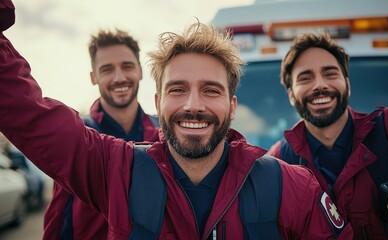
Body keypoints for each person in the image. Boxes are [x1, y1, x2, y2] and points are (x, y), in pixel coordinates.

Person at [0, 2, 353, 238]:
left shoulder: (294, 188)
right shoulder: (115, 170)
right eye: (178, 89)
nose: (193, 105)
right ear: (158, 102)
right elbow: (28, 113)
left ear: (232, 106)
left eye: (211, 91)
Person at [267, 32, 388, 240]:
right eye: (306, 78)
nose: (319, 85)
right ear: (291, 94)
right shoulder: (277, 164)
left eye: (330, 74)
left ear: (347, 84)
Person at [43, 29, 160, 239]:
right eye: (107, 69)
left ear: (141, 71)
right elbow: (59, 219)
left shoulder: (163, 134)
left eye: (127, 66)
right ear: (93, 77)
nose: (119, 77)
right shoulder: (78, 138)